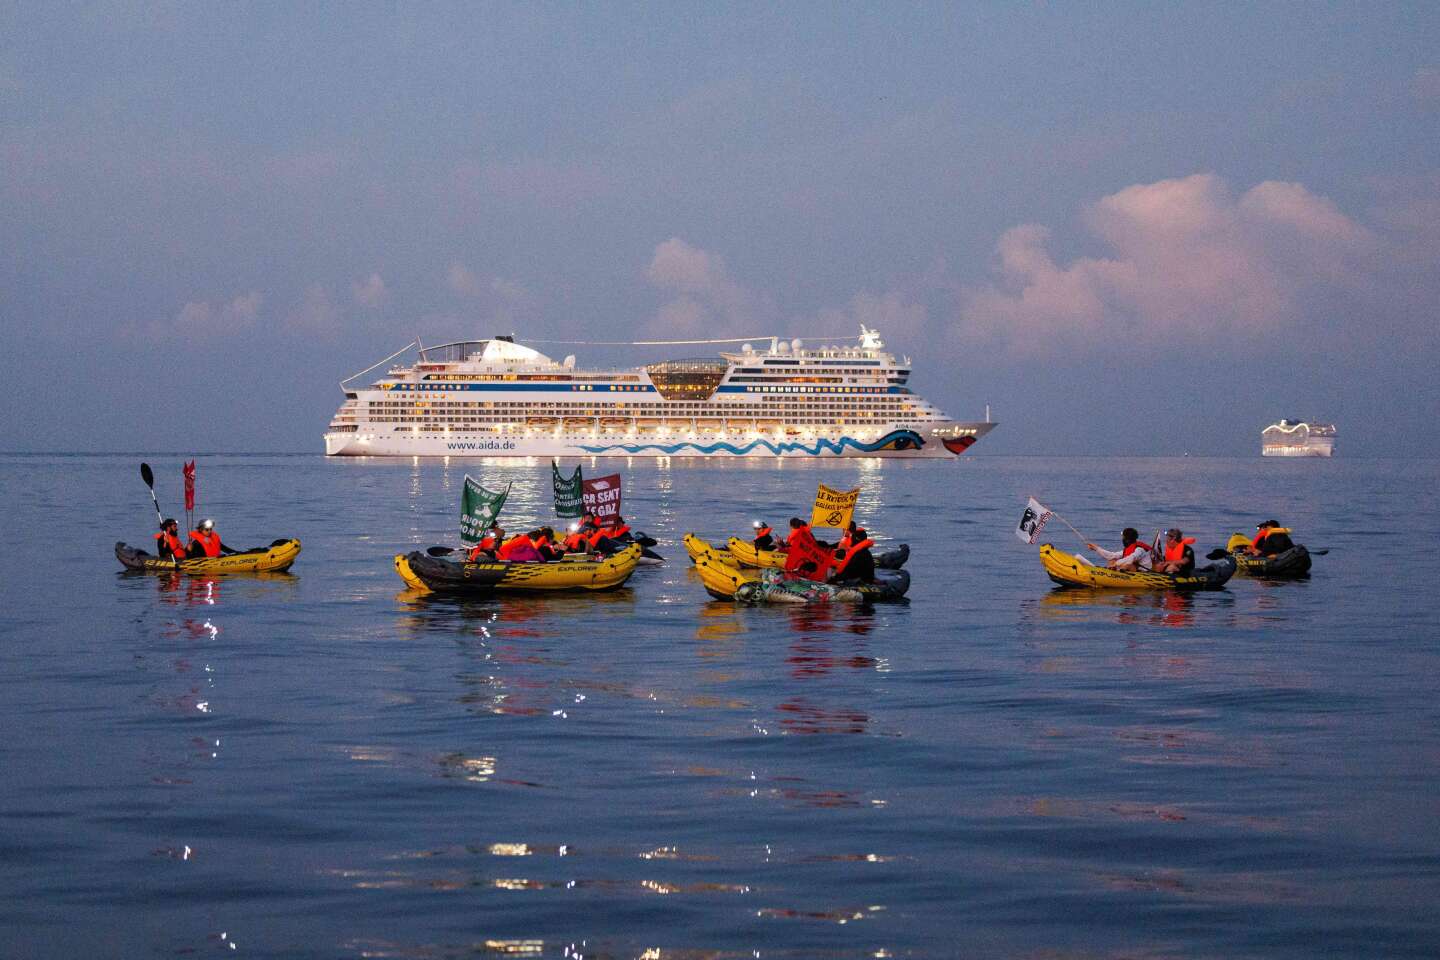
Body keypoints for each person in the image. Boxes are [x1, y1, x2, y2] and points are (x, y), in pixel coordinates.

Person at [1086, 528, 1153, 571]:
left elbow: (1130, 559)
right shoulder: (1129, 548)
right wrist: (1096, 548)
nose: (1122, 539)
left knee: (1127, 565)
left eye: (1123, 537)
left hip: (1144, 573)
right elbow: (1112, 555)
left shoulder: (1139, 550)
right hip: (1134, 570)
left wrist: (1116, 564)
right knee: (1112, 560)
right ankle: (1109, 572)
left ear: (1127, 539)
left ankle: (1111, 574)